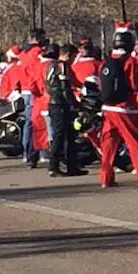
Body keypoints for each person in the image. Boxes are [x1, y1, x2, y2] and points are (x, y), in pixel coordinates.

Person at [99, 24, 138, 188]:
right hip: (125, 106)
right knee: (134, 141)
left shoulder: (107, 60)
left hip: (108, 107)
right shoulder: (130, 61)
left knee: (108, 143)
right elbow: (135, 83)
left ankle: (105, 177)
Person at [44, 43, 87, 178]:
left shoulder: (51, 66)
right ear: (68, 55)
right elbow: (65, 88)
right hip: (60, 104)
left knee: (68, 135)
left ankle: (71, 166)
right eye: (74, 57)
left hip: (55, 103)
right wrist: (75, 104)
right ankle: (54, 166)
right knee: (61, 136)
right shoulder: (62, 66)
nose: (74, 60)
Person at [18, 29, 46, 168]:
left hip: (24, 88)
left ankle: (26, 152)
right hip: (34, 89)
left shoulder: (23, 53)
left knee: (28, 123)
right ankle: (38, 152)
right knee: (36, 122)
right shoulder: (38, 53)